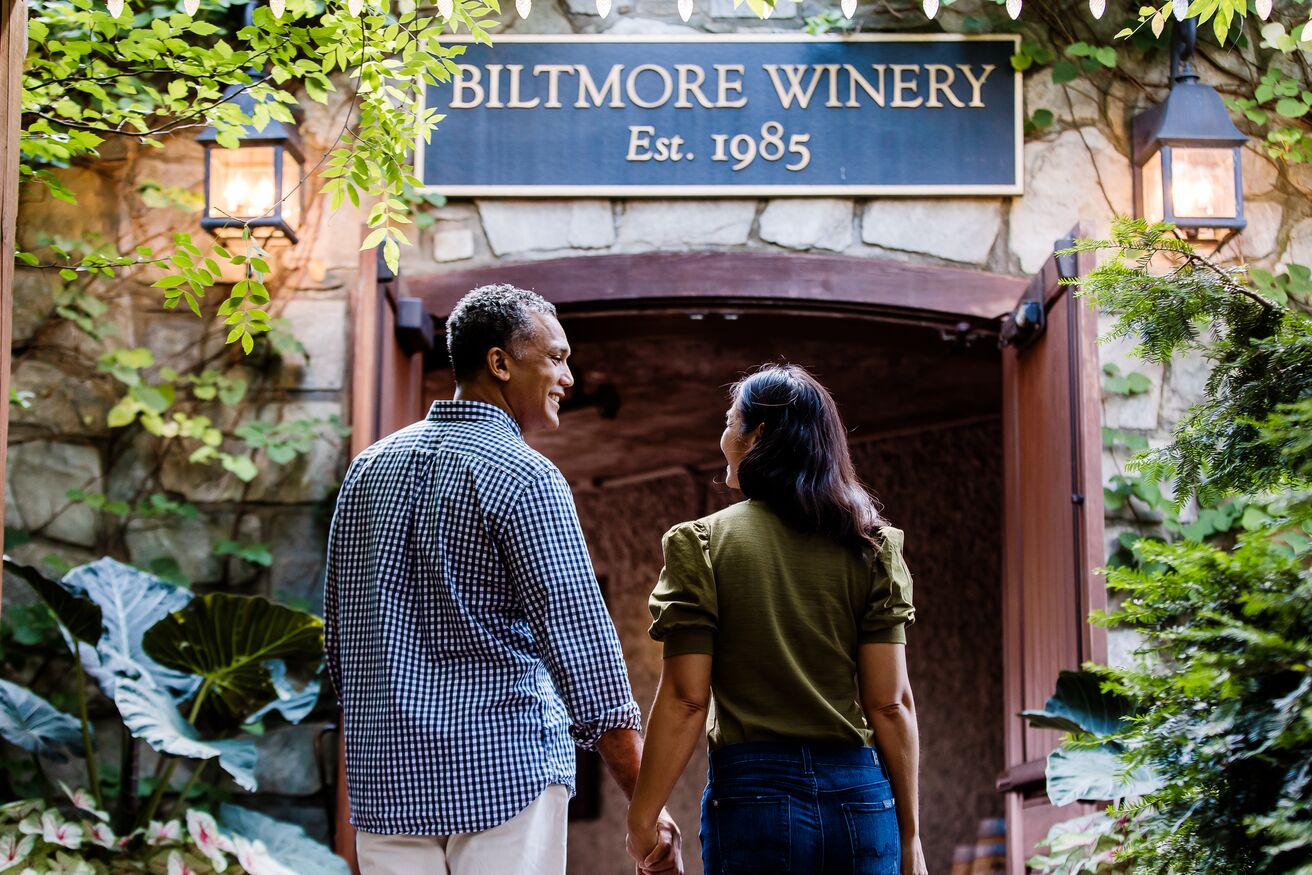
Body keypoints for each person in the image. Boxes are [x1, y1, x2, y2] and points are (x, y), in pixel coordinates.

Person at [324, 283, 681, 875]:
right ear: (500, 362)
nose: (569, 376)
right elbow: (584, 654)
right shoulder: (525, 475)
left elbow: (341, 641)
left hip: (385, 781)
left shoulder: (367, 470)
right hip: (505, 773)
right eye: (557, 358)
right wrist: (646, 805)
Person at [627, 363, 928, 875]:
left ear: (758, 435)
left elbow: (685, 698)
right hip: (861, 796)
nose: (721, 436)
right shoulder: (872, 546)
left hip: (756, 796)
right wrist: (911, 837)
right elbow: (890, 702)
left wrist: (641, 820)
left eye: (729, 421)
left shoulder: (700, 543)